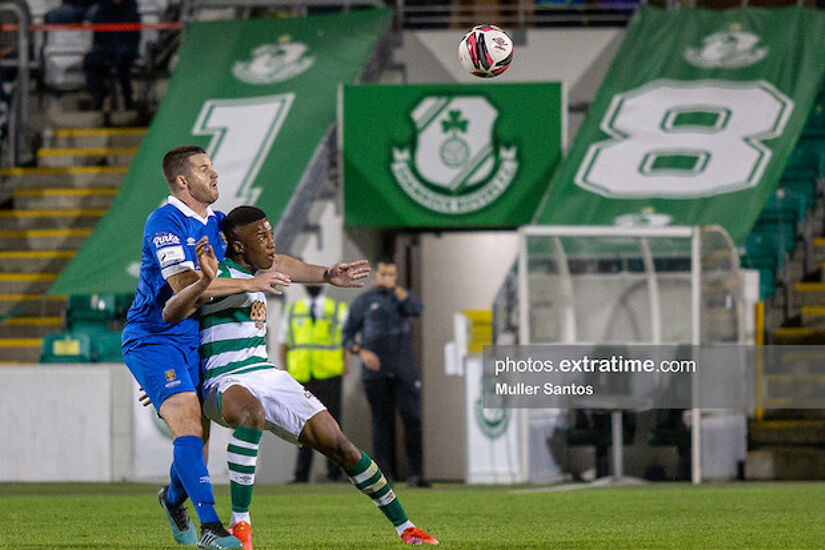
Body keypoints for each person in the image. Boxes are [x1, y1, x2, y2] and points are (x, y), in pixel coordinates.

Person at [161, 206, 439, 549]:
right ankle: (240, 527)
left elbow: (284, 263)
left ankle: (406, 527)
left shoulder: (260, 267)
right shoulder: (218, 272)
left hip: (265, 374)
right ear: (236, 245)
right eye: (261, 236)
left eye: (271, 232)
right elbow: (193, 296)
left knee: (340, 445)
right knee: (251, 415)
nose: (271, 243)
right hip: (222, 378)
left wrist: (327, 274)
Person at [122, 145, 294, 550]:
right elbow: (184, 287)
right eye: (204, 169)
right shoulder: (163, 222)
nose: (214, 175)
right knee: (185, 416)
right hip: (154, 335)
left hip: (193, 339)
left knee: (197, 435)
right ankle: (213, 529)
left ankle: (172, 499)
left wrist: (326, 274)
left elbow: (268, 261)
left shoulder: (216, 223)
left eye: (213, 167)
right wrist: (249, 285)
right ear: (183, 181)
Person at [342, 258, 430, 488]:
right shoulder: (364, 302)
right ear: (377, 275)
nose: (388, 278)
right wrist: (361, 353)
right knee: (381, 422)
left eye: (392, 274)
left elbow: (417, 309)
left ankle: (416, 474)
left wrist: (399, 291)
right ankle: (385, 475)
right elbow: (347, 336)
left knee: (412, 418)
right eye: (384, 274)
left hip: (404, 370)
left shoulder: (402, 298)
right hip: (376, 373)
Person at [278, 284, 349, 483]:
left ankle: (334, 473)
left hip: (329, 373)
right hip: (301, 374)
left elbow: (346, 341)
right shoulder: (293, 310)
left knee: (333, 423)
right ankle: (301, 474)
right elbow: (283, 342)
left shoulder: (336, 309)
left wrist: (345, 365)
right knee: (303, 426)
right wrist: (286, 371)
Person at [83, 0, 140, 110]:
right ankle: (98, 93)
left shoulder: (132, 11)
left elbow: (134, 37)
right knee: (90, 60)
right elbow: (98, 36)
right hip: (107, 48)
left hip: (126, 48)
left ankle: (128, 99)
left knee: (122, 62)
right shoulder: (101, 11)